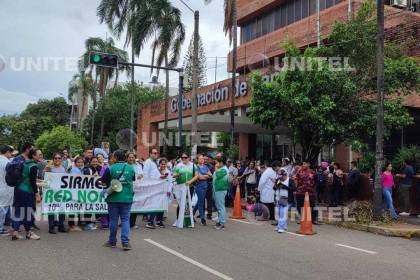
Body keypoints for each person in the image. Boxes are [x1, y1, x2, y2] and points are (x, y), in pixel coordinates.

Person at [101, 150, 136, 251]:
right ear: (125, 158)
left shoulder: (110, 168)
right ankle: (125, 242)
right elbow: (133, 179)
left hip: (113, 199)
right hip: (127, 198)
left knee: (113, 220)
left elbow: (103, 181)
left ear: (115, 158)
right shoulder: (130, 168)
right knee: (125, 220)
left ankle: (112, 241)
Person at [11, 148, 41, 240]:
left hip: (18, 189)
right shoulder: (33, 166)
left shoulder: (24, 162)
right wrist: (37, 194)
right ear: (33, 155)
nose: (41, 156)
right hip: (27, 191)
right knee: (28, 211)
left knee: (18, 210)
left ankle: (15, 232)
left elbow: (26, 176)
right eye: (39, 154)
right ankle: (29, 233)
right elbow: (32, 182)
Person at [172, 153, 198, 228]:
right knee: (180, 203)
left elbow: (197, 175)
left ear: (189, 158)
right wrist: (177, 174)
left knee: (188, 203)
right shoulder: (178, 165)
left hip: (190, 186)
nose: (183, 159)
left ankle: (188, 221)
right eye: (182, 158)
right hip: (180, 186)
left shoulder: (193, 165)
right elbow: (173, 174)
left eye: (185, 157)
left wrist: (190, 182)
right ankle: (178, 220)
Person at [46, 152, 67, 234]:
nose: (57, 159)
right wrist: (50, 164)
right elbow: (46, 177)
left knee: (62, 209)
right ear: (53, 159)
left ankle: (61, 226)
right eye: (55, 158)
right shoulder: (49, 168)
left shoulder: (63, 168)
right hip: (51, 192)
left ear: (61, 159)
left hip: (61, 191)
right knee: (51, 209)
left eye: (59, 158)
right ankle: (51, 227)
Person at [141, 148, 162, 229]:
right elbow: (145, 174)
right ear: (150, 154)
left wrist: (161, 176)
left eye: (156, 153)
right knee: (154, 203)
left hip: (156, 185)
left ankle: (149, 219)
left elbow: (155, 174)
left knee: (153, 203)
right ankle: (150, 221)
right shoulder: (148, 162)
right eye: (154, 153)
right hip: (151, 186)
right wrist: (147, 185)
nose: (155, 154)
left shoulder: (154, 162)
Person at [82, 157, 101, 231]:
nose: (95, 163)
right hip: (88, 191)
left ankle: (92, 222)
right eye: (93, 161)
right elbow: (85, 179)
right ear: (90, 162)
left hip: (96, 192)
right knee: (88, 207)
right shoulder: (87, 169)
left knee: (95, 206)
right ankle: (87, 223)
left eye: (96, 161)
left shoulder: (100, 168)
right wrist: (93, 176)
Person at [274, 169, 295, 233]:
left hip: (286, 199)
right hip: (278, 199)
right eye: (280, 176)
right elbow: (274, 188)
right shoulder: (278, 180)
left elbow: (293, 189)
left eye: (282, 176)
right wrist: (276, 186)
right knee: (279, 213)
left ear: (285, 175)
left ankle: (281, 227)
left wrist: (284, 186)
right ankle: (284, 226)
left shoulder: (290, 180)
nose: (281, 177)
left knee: (282, 213)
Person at [193, 154, 212, 226]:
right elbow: (199, 177)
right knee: (201, 203)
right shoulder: (196, 167)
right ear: (197, 160)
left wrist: (204, 175)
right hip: (199, 186)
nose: (202, 160)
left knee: (199, 202)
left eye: (203, 159)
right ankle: (202, 219)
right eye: (200, 159)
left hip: (205, 186)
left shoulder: (206, 166)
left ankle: (191, 214)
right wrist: (206, 175)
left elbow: (211, 175)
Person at [126, 152, 143, 229]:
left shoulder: (138, 166)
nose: (131, 159)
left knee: (135, 205)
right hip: (126, 188)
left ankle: (132, 223)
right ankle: (125, 222)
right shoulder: (125, 166)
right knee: (126, 206)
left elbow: (142, 174)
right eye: (130, 157)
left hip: (136, 188)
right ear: (127, 158)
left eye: (132, 157)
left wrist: (141, 175)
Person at [0, 145, 14, 236]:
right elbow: (11, 176)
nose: (12, 154)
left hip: (2, 187)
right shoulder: (6, 162)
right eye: (11, 152)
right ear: (8, 152)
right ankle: (0, 229)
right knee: (3, 209)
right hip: (5, 188)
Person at [68, 156, 84, 232]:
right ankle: (71, 225)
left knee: (76, 208)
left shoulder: (79, 170)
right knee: (72, 209)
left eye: (81, 162)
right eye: (78, 162)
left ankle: (74, 225)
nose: (80, 163)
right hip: (74, 192)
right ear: (75, 163)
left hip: (78, 192)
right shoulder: (74, 170)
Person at [213, 157, 229, 230]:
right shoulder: (221, 169)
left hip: (220, 190)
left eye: (217, 162)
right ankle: (219, 221)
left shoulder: (224, 169)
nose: (216, 164)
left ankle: (222, 223)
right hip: (217, 189)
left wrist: (216, 168)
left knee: (221, 207)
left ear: (221, 163)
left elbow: (218, 175)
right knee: (219, 207)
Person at [204, 154, 215, 220]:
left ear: (208, 160)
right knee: (202, 199)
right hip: (202, 184)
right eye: (204, 159)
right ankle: (201, 212)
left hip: (209, 184)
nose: (205, 160)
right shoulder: (200, 166)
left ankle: (209, 214)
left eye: (206, 159)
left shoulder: (211, 167)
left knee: (209, 200)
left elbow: (213, 176)